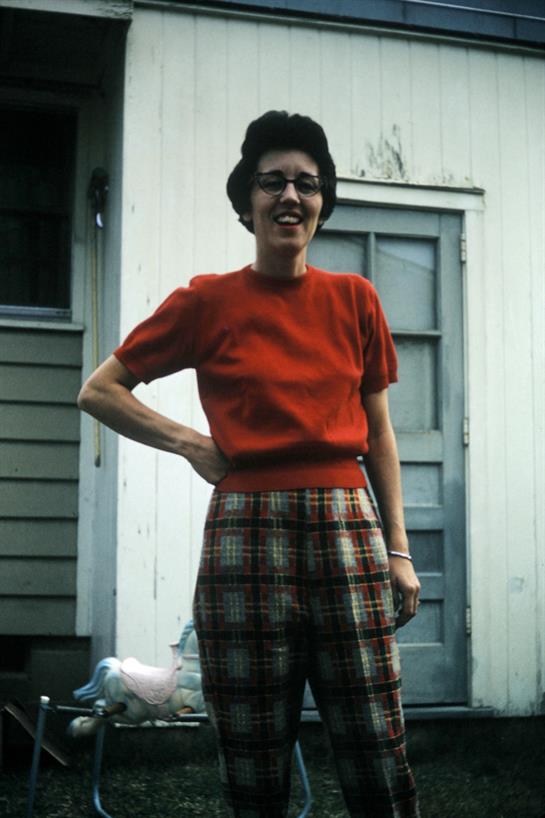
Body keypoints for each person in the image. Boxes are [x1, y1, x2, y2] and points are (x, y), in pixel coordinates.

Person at [78, 110, 421, 818]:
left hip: (348, 528)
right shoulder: (207, 300)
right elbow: (100, 391)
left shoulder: (355, 298)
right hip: (245, 534)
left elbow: (380, 434)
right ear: (247, 200)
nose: (290, 196)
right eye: (273, 182)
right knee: (252, 747)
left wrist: (398, 549)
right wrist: (190, 443)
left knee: (375, 741)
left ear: (321, 203)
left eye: (307, 183)